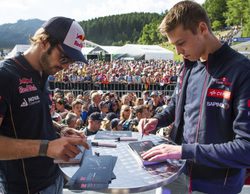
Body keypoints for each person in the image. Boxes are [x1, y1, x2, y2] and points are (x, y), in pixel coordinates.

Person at [138, 1, 250, 194]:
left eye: (181, 43)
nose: (178, 51)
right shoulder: (189, 64)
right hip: (176, 173)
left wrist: (184, 151)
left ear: (202, 28)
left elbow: (246, 148)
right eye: (174, 45)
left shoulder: (241, 71)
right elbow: (177, 105)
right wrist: (157, 120)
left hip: (216, 186)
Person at [0, 17, 89, 194]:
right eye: (64, 58)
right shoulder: (5, 76)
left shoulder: (44, 73)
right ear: (44, 41)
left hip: (54, 178)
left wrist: (59, 130)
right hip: (25, 188)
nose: (65, 66)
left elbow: (30, 119)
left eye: (71, 61)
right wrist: (46, 148)